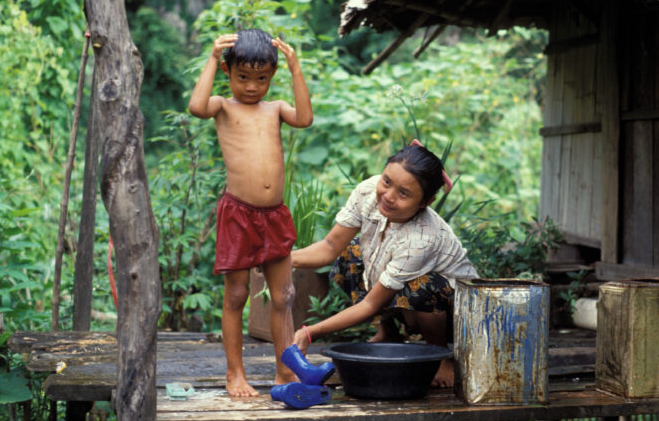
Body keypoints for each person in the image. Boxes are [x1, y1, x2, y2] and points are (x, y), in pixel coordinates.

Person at [290, 142, 478, 388]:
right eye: (387, 181)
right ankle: (388, 332)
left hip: (456, 316)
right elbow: (329, 246)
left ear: (426, 202)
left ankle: (441, 356)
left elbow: (370, 303)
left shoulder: (422, 238)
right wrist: (283, 258)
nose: (388, 196)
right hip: (407, 302)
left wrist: (309, 332)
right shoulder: (368, 191)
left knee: (422, 285)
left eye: (404, 193)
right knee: (351, 254)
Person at [188, 29, 313, 397]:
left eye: (261, 79)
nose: (252, 87)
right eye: (243, 77)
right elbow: (197, 106)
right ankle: (235, 375)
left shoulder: (274, 110)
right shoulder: (223, 108)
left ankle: (283, 372)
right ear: (228, 72)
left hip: (274, 216)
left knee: (283, 296)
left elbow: (304, 118)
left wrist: (295, 69)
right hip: (238, 215)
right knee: (237, 295)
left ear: (271, 78)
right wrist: (211, 58)